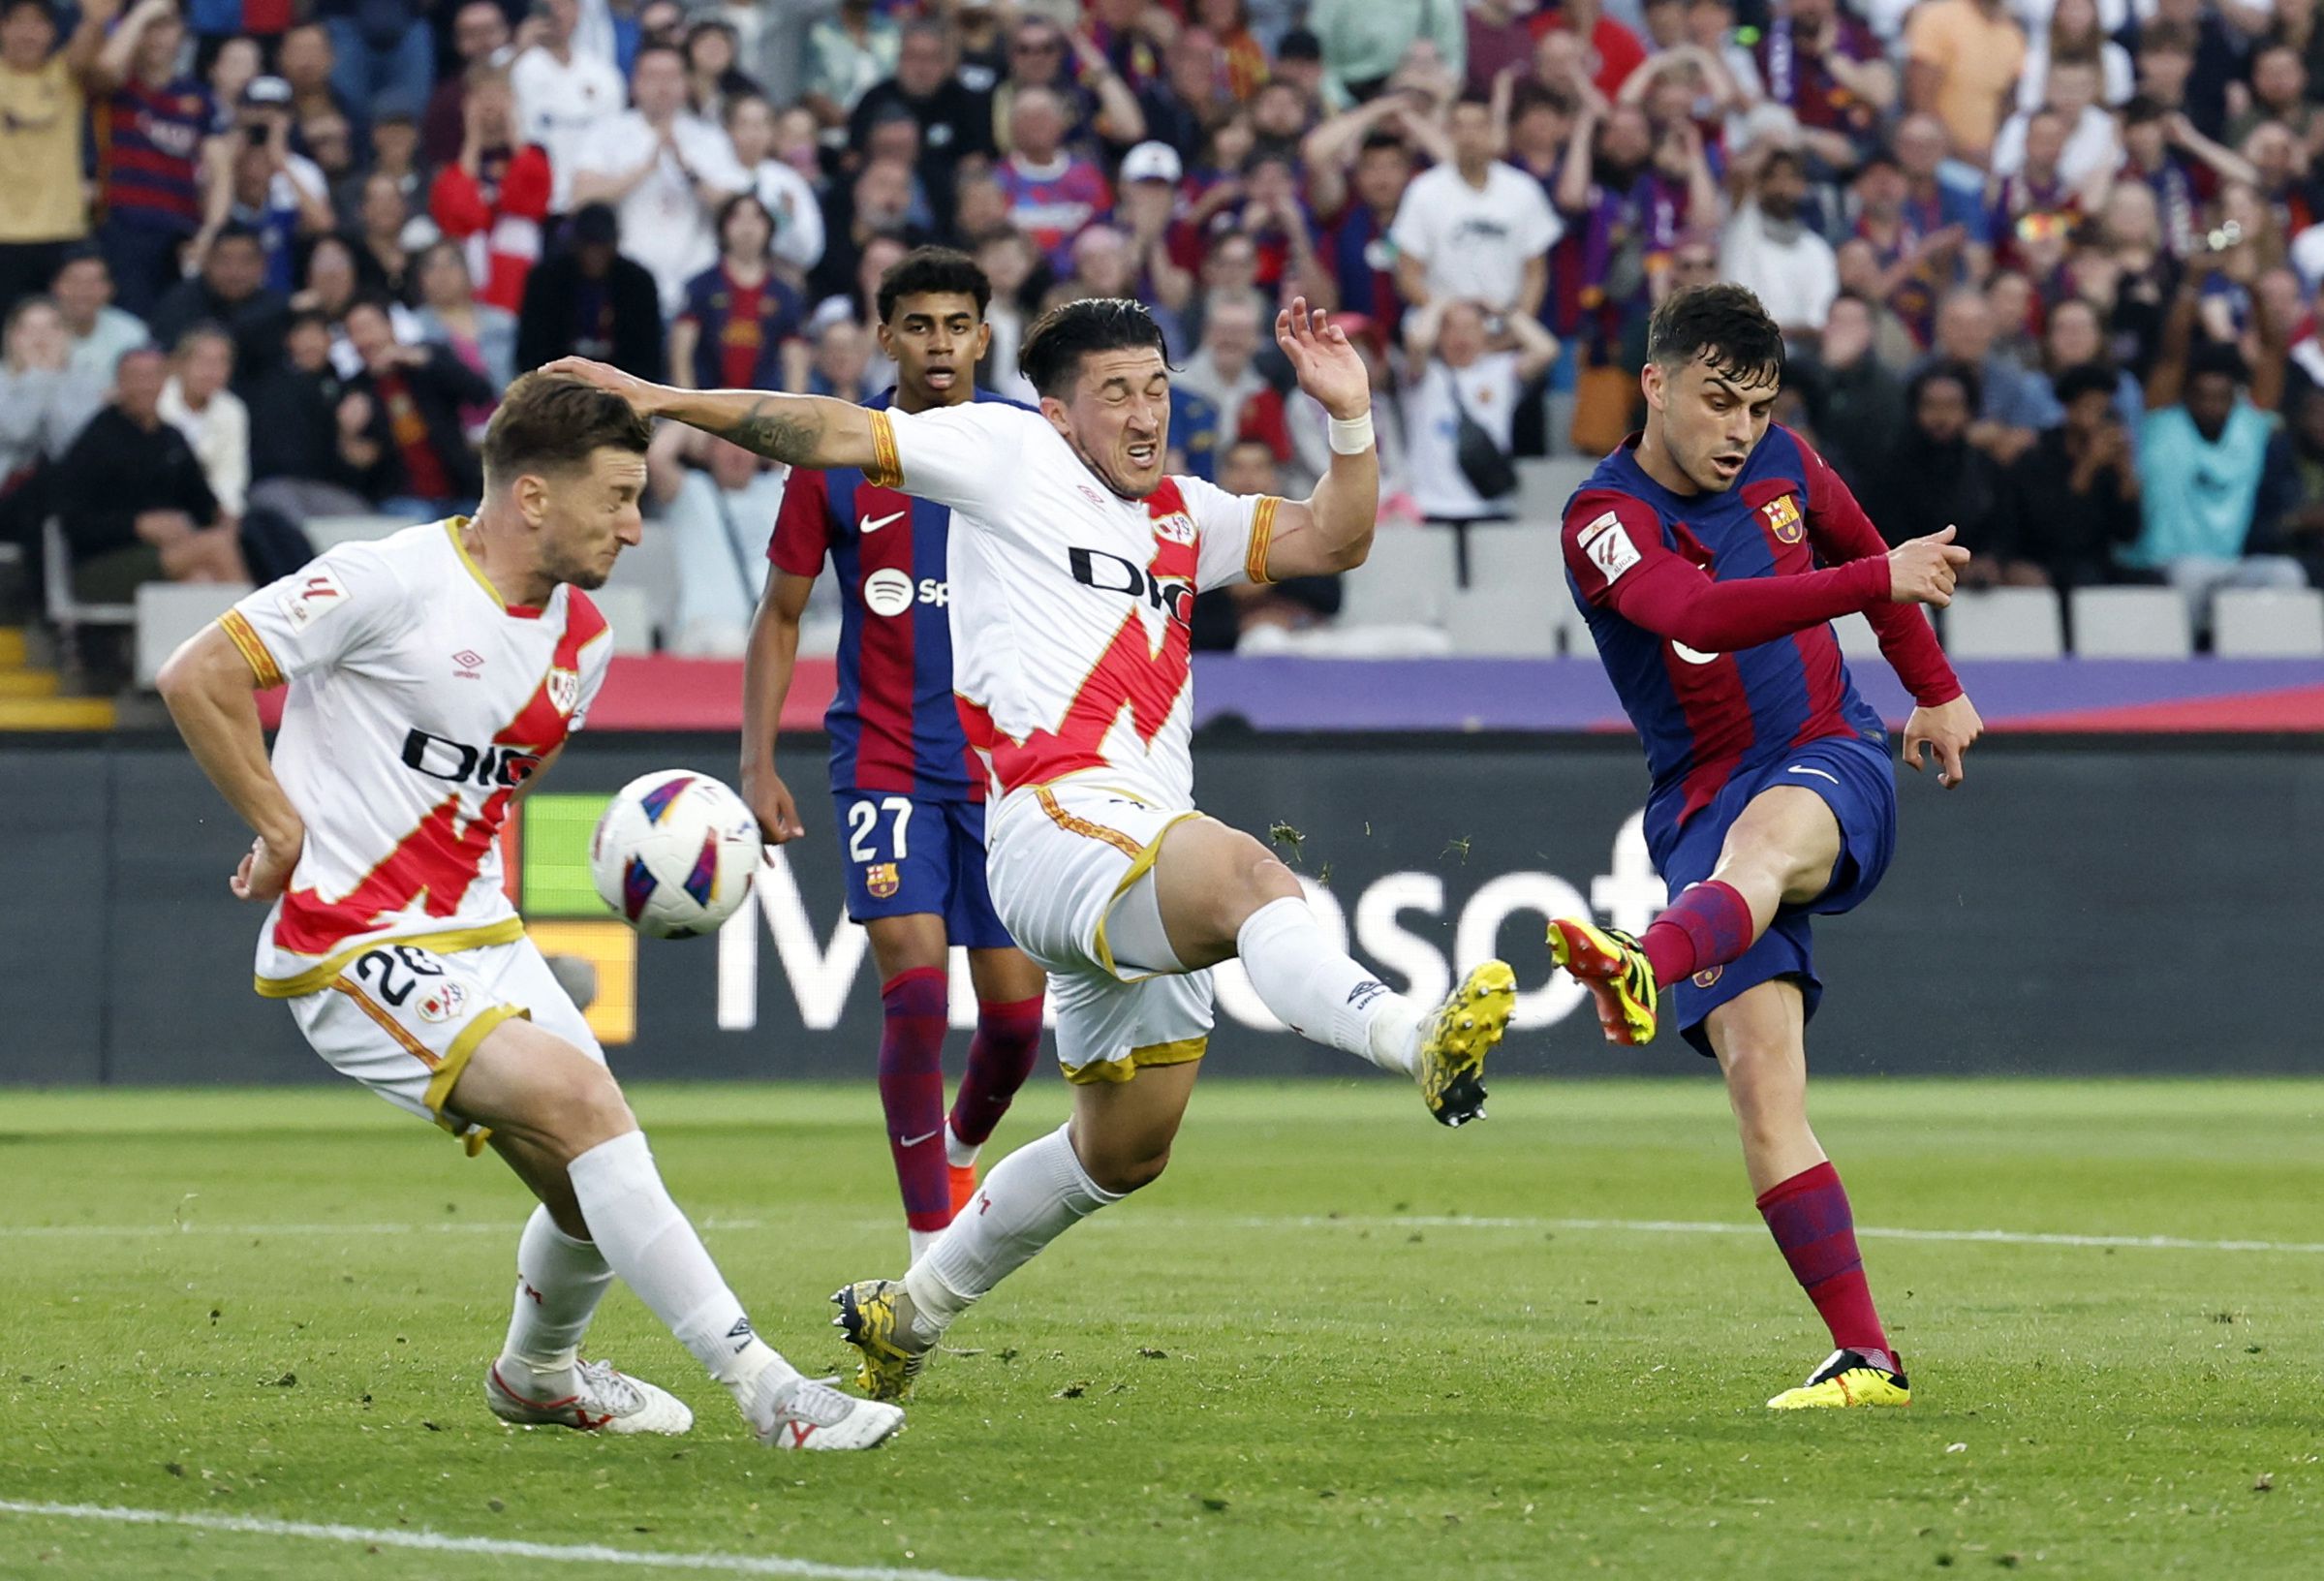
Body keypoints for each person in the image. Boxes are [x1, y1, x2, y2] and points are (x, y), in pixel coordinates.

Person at [550, 292, 1516, 1403]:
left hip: (1128, 838)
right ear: (1057, 412)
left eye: (1156, 388)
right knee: (1256, 876)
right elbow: (823, 429)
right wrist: (660, 399)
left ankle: (906, 1310)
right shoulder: (1006, 451)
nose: (1144, 414)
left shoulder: (1183, 517)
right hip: (1053, 815)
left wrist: (1349, 420)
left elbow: (1335, 536)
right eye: (1115, 393)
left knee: (1124, 1147)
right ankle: (1414, 1034)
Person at [151, 372, 902, 1451]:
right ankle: (769, 1388)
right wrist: (280, 827)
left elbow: (475, 785)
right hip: (354, 940)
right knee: (587, 1115)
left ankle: (537, 1375)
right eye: (619, 498)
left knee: (587, 1182)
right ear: (535, 496)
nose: (637, 528)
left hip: (482, 930)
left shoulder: (584, 639)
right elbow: (198, 676)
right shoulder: (388, 581)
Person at [1544, 284, 1983, 1411]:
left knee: (1761, 843)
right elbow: (1696, 615)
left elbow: (1876, 579)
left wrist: (1932, 693)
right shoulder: (1603, 518)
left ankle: (1646, 958)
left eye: (1755, 406)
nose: (1739, 430)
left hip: (1826, 754)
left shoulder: (1790, 463)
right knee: (1760, 1086)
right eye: (1716, 401)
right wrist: (1873, 575)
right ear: (1653, 385)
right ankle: (1865, 1359)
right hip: (1693, 797)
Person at [737, 249, 1050, 1260]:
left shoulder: (1027, 447)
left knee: (1013, 1022)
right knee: (914, 985)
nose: (940, 346)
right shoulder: (838, 455)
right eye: (918, 325)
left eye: (957, 325)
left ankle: (957, 1150)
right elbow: (780, 614)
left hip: (999, 768)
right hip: (881, 756)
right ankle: (927, 1244)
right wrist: (756, 762)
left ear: (984, 334)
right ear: (884, 337)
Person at [51, 344, 246, 597]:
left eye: (153, 377)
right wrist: (137, 525)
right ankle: (260, 633)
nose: (145, 386)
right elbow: (73, 522)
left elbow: (202, 502)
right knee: (216, 547)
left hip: (168, 554)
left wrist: (223, 518)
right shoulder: (96, 441)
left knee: (201, 580)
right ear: (119, 384)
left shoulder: (172, 438)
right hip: (103, 564)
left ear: (165, 381)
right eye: (135, 378)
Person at [571, 41, 750, 315]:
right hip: (625, 280)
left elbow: (737, 208)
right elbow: (580, 198)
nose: (662, 87)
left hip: (695, 284)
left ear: (686, 83)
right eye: (652, 77)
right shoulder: (607, 133)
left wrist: (688, 171)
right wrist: (643, 169)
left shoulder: (710, 139)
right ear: (635, 83)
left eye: (671, 77)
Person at [81, 0, 212, 316]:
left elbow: (216, 171)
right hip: (123, 227)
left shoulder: (197, 97)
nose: (156, 37)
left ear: (182, 31)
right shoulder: (118, 89)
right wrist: (143, 12)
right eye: (148, 27)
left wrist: (209, 231)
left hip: (180, 232)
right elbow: (105, 69)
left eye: (165, 25)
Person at [1389, 92, 1560, 318]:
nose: (1469, 136)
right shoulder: (1423, 190)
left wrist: (1517, 325)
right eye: (1459, 126)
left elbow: (1535, 274)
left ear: (1492, 131)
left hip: (1506, 324)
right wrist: (1457, 321)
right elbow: (1408, 275)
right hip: (1442, 325)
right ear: (1448, 132)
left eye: (1478, 126)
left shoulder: (1523, 190)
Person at [0, 0, 107, 316]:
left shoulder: (66, 74)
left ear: (52, 31)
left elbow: (88, 43)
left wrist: (94, 19)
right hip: (3, 234)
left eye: (38, 24)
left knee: (65, 338)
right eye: (18, 22)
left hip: (62, 231)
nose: (28, 34)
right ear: (2, 28)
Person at [428, 64, 553, 316]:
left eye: (498, 96)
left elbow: (530, 204)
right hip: (472, 268)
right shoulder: (453, 160)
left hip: (516, 266)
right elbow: (459, 216)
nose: (490, 106)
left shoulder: (533, 154)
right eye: (481, 97)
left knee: (516, 229)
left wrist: (513, 131)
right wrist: (473, 140)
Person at [514, 203, 665, 381]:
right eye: (588, 245)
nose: (594, 253)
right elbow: (532, 347)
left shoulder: (638, 283)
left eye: (601, 245)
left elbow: (647, 352)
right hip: (557, 380)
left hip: (622, 380)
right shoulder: (547, 279)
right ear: (575, 243)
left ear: (615, 243)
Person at [670, 195, 803, 392]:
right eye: (737, 217)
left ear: (769, 228)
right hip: (707, 403)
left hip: (763, 409)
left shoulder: (784, 295)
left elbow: (795, 358)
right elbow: (681, 350)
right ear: (723, 228)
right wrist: (688, 404)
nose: (747, 227)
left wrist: (793, 411)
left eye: (756, 218)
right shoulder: (701, 286)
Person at [511, 0, 628, 215]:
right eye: (548, 6)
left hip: (592, 204)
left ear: (578, 11)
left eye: (563, 5)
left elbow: (616, 142)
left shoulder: (604, 75)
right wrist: (519, 51)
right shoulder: (515, 67)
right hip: (534, 202)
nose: (555, 13)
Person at [159, 323, 250, 520]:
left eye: (221, 362)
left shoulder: (233, 410)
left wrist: (225, 512)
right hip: (161, 507)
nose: (211, 371)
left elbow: (230, 474)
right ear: (179, 364)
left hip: (210, 511)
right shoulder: (156, 401)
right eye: (203, 361)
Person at [51, 248, 147, 383]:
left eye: (93, 282)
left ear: (110, 289)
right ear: (56, 286)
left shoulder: (130, 331)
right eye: (74, 280)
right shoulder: (35, 330)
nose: (83, 291)